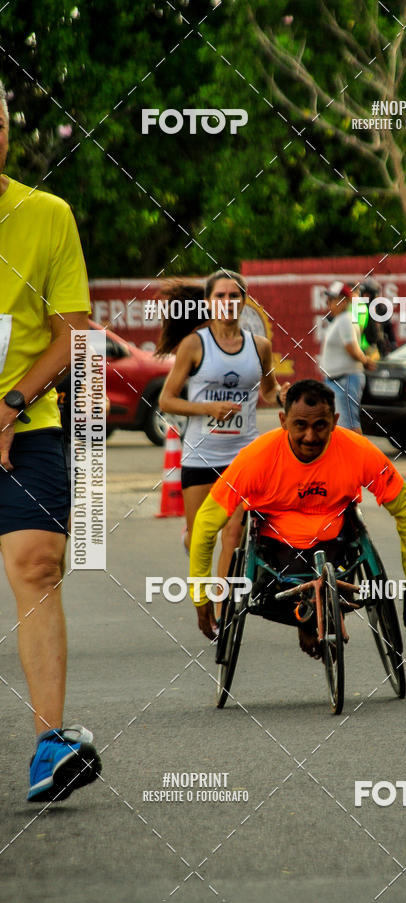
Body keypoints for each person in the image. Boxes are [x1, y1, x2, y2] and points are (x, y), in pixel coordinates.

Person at [0, 80, 101, 801]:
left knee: (37, 561)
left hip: (24, 419)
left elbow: (74, 332)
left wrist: (11, 402)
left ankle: (49, 745)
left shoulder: (46, 215)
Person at [189, 379, 406, 654]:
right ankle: (308, 618)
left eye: (320, 425)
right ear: (283, 421)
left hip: (336, 543)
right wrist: (200, 596)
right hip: (276, 549)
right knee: (267, 595)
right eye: (300, 426)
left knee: (342, 584)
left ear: (334, 420)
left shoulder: (357, 451)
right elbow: (205, 524)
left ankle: (323, 607)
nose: (310, 437)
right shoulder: (256, 458)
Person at [158, 269, 289, 624]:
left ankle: (221, 605)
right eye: (220, 296)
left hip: (243, 455)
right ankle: (199, 561)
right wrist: (207, 408)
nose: (228, 303)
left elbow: (267, 390)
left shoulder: (259, 346)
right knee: (200, 535)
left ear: (244, 302)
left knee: (235, 530)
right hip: (201, 454)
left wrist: (282, 396)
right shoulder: (194, 345)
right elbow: (167, 399)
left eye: (234, 296)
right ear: (207, 303)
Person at [320, 280, 376, 432]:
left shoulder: (346, 320)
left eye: (332, 299)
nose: (328, 303)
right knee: (343, 425)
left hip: (345, 379)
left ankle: (359, 456)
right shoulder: (340, 320)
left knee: (350, 425)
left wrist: (365, 361)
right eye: (328, 299)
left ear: (344, 301)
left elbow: (351, 347)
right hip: (338, 380)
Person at [359, 277, 397, 358]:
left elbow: (388, 328)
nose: (365, 297)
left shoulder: (381, 309)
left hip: (378, 349)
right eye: (364, 294)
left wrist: (393, 344)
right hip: (362, 348)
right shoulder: (359, 309)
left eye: (368, 295)